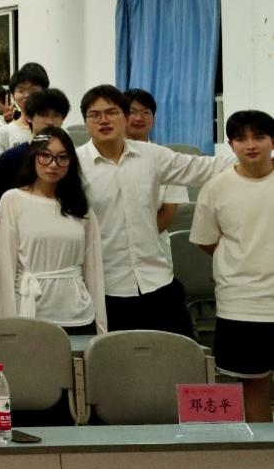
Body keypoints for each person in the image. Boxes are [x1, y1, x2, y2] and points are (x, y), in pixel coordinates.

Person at [77, 85, 226, 336]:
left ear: (125, 116)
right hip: (106, 287)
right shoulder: (74, 165)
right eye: (95, 114)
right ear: (85, 121)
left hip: (156, 279)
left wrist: (257, 160)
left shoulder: (151, 156)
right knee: (115, 357)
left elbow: (202, 168)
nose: (103, 120)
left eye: (111, 112)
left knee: (177, 353)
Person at [190, 110, 274, 423]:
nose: (250, 145)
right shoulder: (216, 188)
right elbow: (206, 240)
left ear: (272, 141)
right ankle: (261, 450)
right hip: (240, 304)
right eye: (241, 138)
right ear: (230, 144)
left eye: (259, 137)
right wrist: (241, 261)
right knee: (253, 385)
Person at [0, 128, 106, 334]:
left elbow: (94, 271)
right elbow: (5, 270)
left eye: (62, 157)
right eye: (45, 155)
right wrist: (8, 328)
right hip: (30, 314)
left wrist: (101, 328)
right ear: (33, 157)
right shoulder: (12, 200)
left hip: (79, 315)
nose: (53, 164)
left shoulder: (80, 207)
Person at [125, 88, 191, 233]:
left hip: (154, 241)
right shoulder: (108, 156)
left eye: (146, 112)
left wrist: (144, 238)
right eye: (132, 112)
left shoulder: (166, 158)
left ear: (153, 119)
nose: (139, 118)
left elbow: (169, 211)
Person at [0, 89, 70, 204]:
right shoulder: (10, 159)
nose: (50, 122)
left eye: (56, 115)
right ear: (29, 117)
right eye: (43, 114)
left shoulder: (67, 157)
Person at [0, 63, 50, 170]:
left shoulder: (56, 131)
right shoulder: (3, 133)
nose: (26, 95)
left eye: (33, 90)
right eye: (21, 91)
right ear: (13, 95)